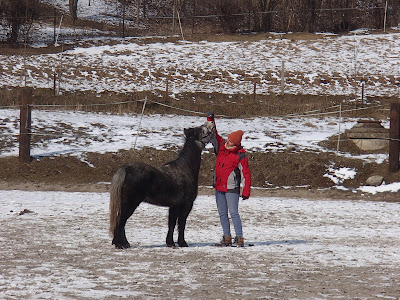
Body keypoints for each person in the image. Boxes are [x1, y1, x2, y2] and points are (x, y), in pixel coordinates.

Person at [206, 111, 251, 247]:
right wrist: (210, 119)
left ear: (236, 144)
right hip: (219, 186)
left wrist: (246, 191)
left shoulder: (240, 155)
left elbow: (246, 174)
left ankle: (239, 237)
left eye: (231, 141)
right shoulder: (221, 147)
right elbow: (214, 134)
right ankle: (226, 237)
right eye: (228, 139)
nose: (227, 141)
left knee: (234, 213)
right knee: (222, 213)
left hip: (231, 188)